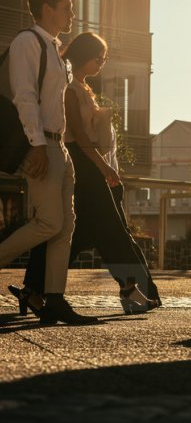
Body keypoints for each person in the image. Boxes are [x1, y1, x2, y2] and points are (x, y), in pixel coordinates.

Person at [10, 32, 160, 316]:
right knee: (111, 231)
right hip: (82, 164)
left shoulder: (82, 87)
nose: (102, 64)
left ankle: (32, 289)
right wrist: (104, 167)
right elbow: (78, 137)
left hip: (88, 164)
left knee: (73, 234)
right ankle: (131, 291)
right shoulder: (69, 89)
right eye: (98, 58)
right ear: (84, 57)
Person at [0, 0, 96, 325]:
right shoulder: (28, 42)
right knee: (49, 222)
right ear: (47, 9)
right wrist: (38, 145)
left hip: (60, 145)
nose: (73, 12)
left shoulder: (56, 49)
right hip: (41, 144)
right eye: (67, 6)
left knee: (65, 225)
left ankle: (55, 299)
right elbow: (24, 96)